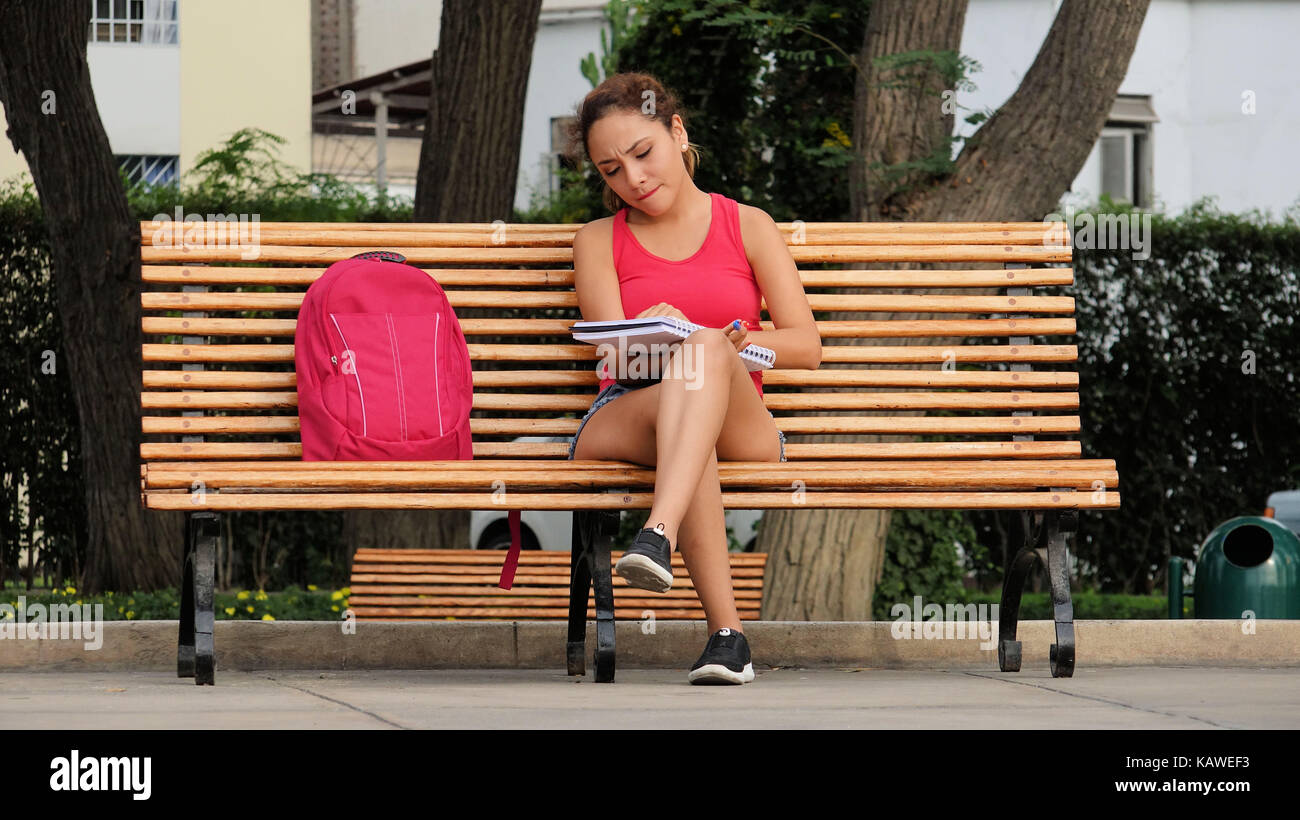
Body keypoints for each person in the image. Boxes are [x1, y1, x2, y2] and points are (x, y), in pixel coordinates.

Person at [563, 72, 821, 685]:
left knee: (704, 356)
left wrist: (735, 345)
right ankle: (725, 637)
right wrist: (643, 329)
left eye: (643, 153)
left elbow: (806, 346)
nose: (634, 178)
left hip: (740, 418)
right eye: (611, 170)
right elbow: (613, 360)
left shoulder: (748, 225)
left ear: (677, 132)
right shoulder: (597, 240)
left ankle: (658, 532)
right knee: (689, 424)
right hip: (630, 410)